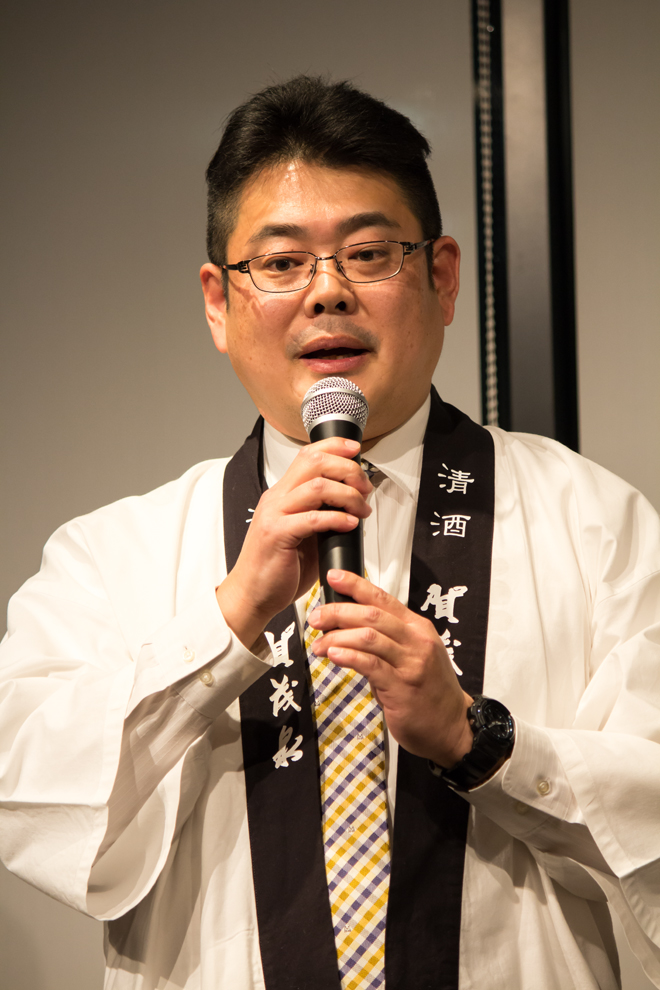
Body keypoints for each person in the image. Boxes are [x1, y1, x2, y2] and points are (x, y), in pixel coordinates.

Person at [1, 75, 659, 990]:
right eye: (280, 263)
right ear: (218, 302)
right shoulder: (111, 556)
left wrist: (478, 740)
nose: (327, 294)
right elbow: (33, 803)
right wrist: (228, 620)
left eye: (370, 254)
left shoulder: (596, 523)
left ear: (442, 277)